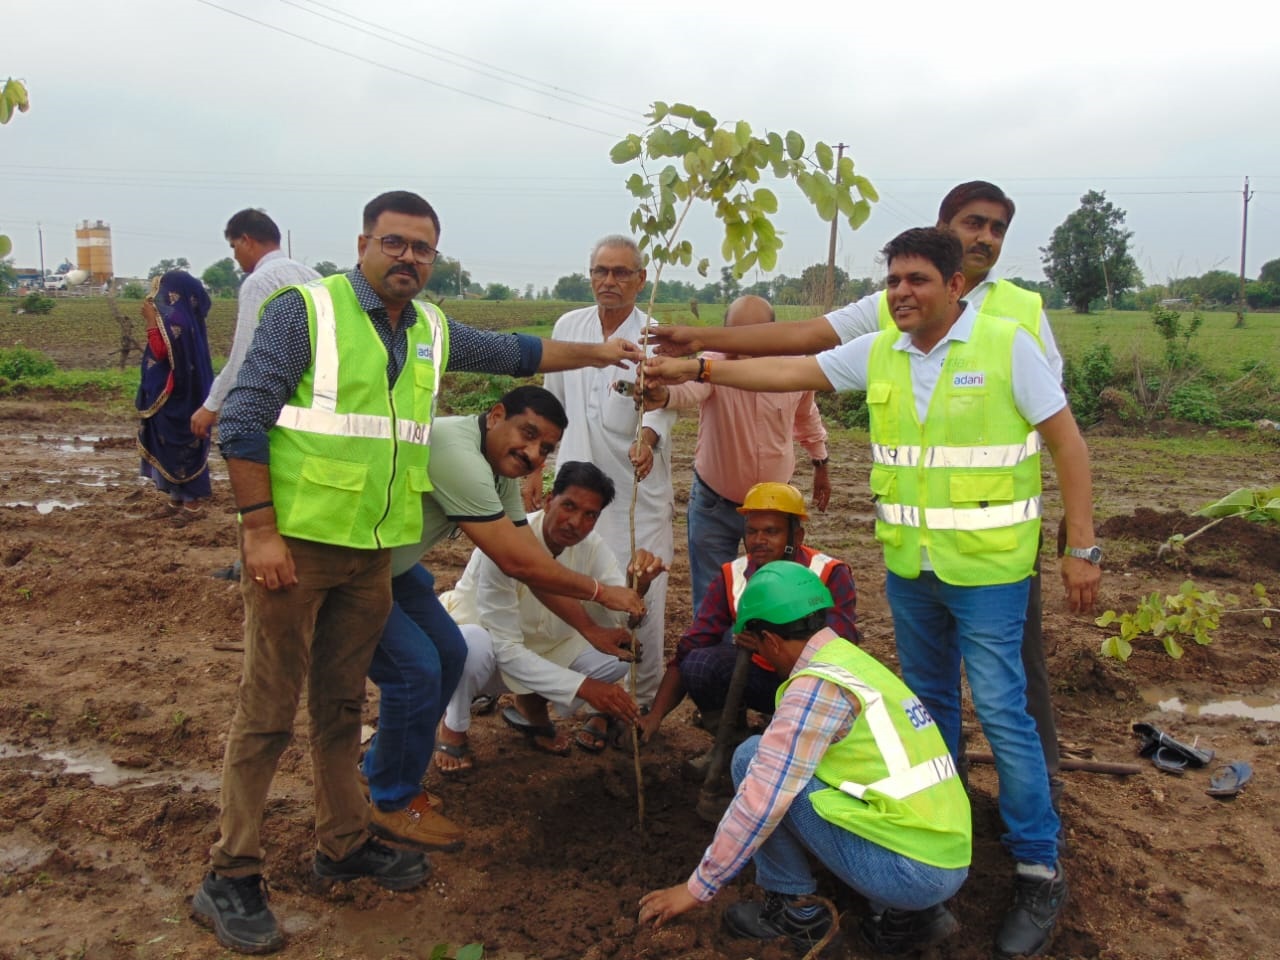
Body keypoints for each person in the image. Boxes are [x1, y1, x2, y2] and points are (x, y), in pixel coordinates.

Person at [193, 190, 644, 955]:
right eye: (395, 243)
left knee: (339, 710)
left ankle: (341, 845)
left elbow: (519, 354)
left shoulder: (430, 328)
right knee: (267, 713)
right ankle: (229, 874)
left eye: (423, 249)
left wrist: (603, 353)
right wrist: (259, 530)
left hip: (374, 555)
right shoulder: (307, 312)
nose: (409, 258)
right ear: (365, 241)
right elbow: (243, 416)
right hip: (296, 548)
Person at [643, 227, 1101, 958]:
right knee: (930, 706)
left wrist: (1081, 546)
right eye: (892, 281)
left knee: (1004, 711)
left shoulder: (1007, 344)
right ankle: (929, 826)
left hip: (988, 569)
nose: (901, 293)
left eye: (917, 280)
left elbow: (1067, 442)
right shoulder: (882, 347)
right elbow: (789, 368)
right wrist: (697, 365)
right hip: (914, 567)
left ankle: (1036, 865)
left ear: (956, 286)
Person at [647, 182, 1067, 785]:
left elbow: (1057, 426)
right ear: (944, 228)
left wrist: (1076, 529)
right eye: (974, 223)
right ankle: (936, 796)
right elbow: (803, 343)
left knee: (1009, 693)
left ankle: (1037, 816)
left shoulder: (1019, 317)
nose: (985, 237)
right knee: (929, 692)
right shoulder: (895, 309)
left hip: (994, 544)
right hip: (912, 551)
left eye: (998, 229)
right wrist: (703, 347)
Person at [638, 563, 971, 957]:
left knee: (753, 760)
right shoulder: (851, 661)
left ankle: (796, 914)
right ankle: (907, 914)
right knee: (786, 766)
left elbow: (761, 800)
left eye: (759, 647)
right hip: (946, 852)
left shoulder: (817, 687)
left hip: (911, 871)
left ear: (770, 641)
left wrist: (697, 888)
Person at [364, 391, 647, 845]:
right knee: (422, 668)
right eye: (527, 435)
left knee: (447, 652)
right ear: (495, 416)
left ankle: (378, 768)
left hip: (397, 571)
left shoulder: (500, 476)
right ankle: (393, 800)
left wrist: (596, 624)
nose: (533, 454)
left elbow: (536, 571)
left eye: (545, 448)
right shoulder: (459, 455)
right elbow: (521, 564)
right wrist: (598, 594)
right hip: (363, 569)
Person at [434, 461, 665, 769]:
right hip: (487, 657)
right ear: (547, 500)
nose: (575, 522)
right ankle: (454, 724)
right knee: (471, 644)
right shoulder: (506, 542)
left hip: (543, 651)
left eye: (589, 515)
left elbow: (621, 619)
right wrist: (584, 688)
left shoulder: (591, 547)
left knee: (616, 656)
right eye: (568, 506)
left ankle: (532, 703)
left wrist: (639, 589)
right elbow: (505, 648)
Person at [528, 234, 676, 707]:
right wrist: (538, 468)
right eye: (601, 272)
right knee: (580, 585)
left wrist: (647, 441)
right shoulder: (569, 325)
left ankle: (641, 701)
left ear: (641, 279)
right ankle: (587, 700)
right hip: (576, 485)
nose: (609, 281)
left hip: (637, 494)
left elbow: (662, 406)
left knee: (639, 593)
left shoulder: (654, 336)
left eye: (620, 273)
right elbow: (553, 404)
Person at [637, 482, 858, 748]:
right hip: (758, 680)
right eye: (752, 531)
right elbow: (689, 648)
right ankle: (732, 744)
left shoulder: (829, 574)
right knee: (698, 665)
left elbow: (841, 651)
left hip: (813, 685)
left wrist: (774, 649)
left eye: (771, 532)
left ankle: (804, 742)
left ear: (796, 537)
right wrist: (655, 716)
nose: (758, 541)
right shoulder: (733, 575)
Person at [655, 295, 830, 612]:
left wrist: (821, 462)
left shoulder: (796, 368)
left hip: (773, 507)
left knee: (774, 599)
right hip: (715, 503)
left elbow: (806, 416)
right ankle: (714, 659)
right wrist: (661, 392)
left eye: (756, 333)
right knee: (712, 601)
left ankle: (760, 659)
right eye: (736, 334)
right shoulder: (710, 365)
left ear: (773, 332)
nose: (745, 345)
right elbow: (685, 390)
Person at [190, 209, 319, 441]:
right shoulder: (313, 276)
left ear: (246, 240)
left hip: (274, 401)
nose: (235, 256)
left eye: (233, 247)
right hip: (313, 399)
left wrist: (211, 405)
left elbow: (244, 354)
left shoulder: (259, 283)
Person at [136, 270, 214, 512]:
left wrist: (150, 323)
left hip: (176, 395)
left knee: (180, 445)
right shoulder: (186, 318)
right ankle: (175, 498)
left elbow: (160, 352)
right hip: (182, 393)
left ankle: (191, 503)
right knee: (172, 445)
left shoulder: (176, 321)